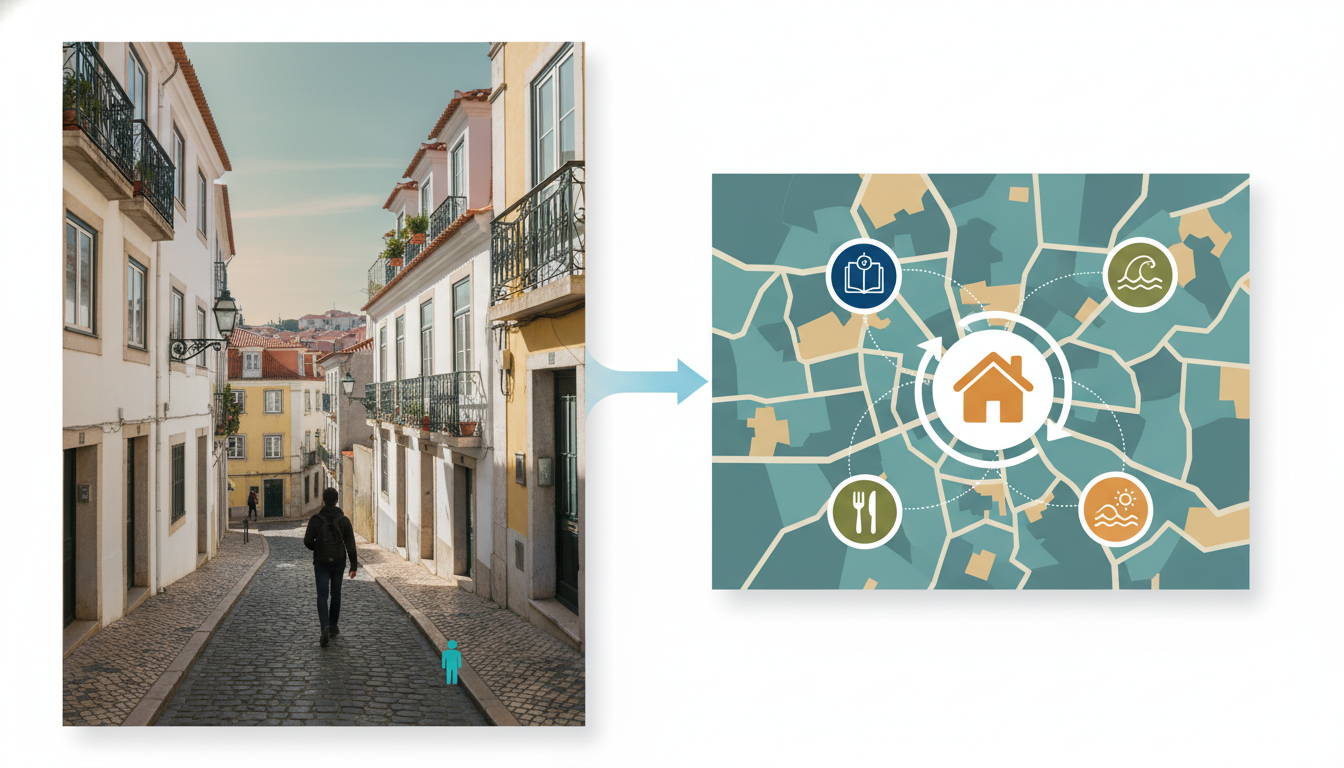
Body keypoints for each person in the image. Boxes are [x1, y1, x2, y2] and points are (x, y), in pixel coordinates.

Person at [303, 487, 358, 647]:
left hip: (321, 563)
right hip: (339, 563)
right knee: (336, 594)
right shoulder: (344, 520)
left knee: (322, 596)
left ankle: (324, 625)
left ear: (324, 500)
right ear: (336, 500)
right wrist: (353, 565)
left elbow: (307, 541)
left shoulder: (316, 519)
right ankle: (333, 627)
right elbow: (350, 544)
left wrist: (318, 549)